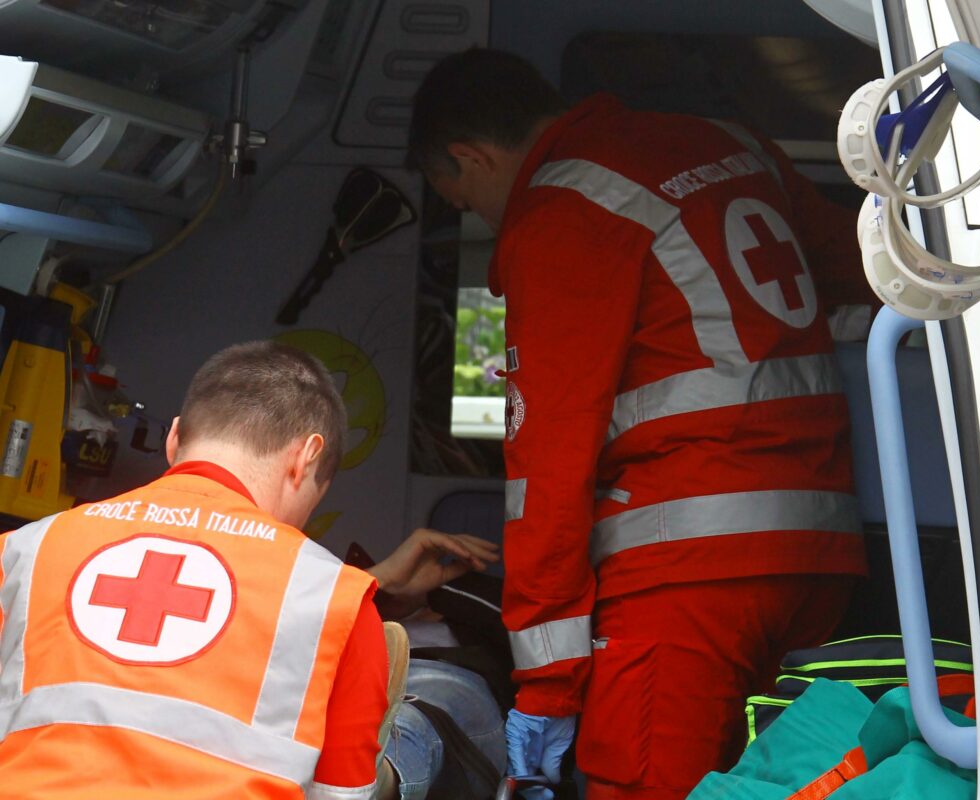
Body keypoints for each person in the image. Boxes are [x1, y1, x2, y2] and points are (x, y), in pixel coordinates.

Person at [406, 49, 869, 799]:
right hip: (818, 553)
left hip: (685, 579)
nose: (480, 218)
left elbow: (546, 473)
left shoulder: (561, 213)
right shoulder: (733, 145)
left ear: (470, 156)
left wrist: (548, 688)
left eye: (462, 200)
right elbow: (864, 270)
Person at [0, 340, 497, 799]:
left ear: (174, 439)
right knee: (449, 710)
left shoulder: (22, 551)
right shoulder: (337, 606)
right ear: (307, 457)